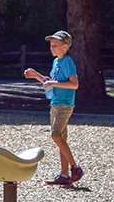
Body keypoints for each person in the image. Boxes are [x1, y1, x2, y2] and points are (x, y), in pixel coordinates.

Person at [24, 29, 83, 186]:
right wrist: (36, 75)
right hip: (55, 103)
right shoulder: (56, 62)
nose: (53, 47)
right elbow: (49, 82)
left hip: (65, 104)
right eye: (51, 45)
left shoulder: (68, 62)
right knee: (61, 139)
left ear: (65, 46)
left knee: (56, 136)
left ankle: (75, 168)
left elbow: (74, 84)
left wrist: (53, 83)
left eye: (56, 44)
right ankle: (64, 175)